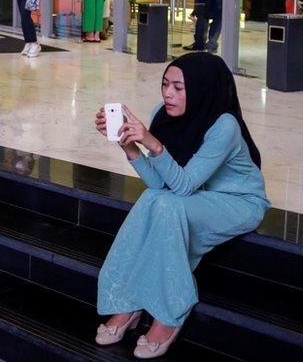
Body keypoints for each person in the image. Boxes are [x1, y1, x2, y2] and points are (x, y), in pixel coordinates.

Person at [92, 52, 269, 358]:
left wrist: (153, 143)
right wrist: (130, 146)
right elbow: (160, 184)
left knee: (170, 208)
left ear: (202, 88)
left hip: (237, 201)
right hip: (194, 194)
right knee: (153, 200)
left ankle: (169, 314)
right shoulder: (164, 112)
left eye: (178, 87)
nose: (168, 94)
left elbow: (183, 186)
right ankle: (129, 302)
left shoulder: (224, 124)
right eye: (165, 84)